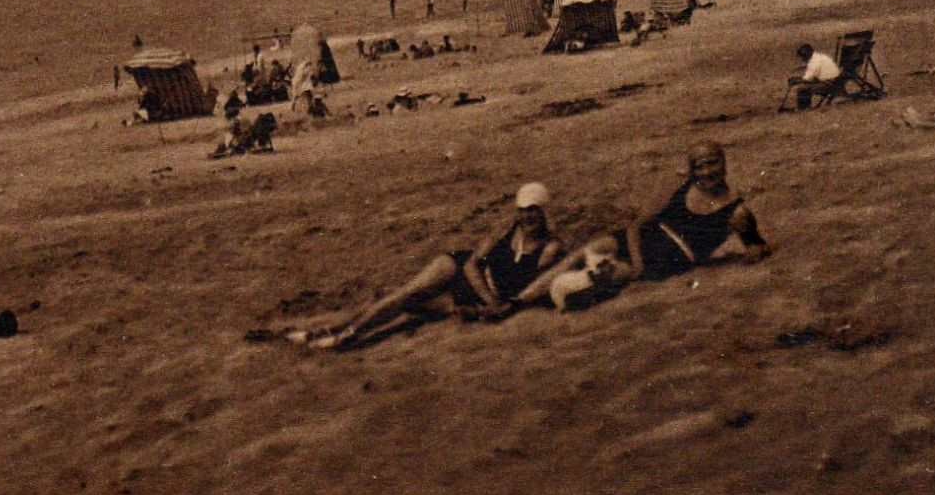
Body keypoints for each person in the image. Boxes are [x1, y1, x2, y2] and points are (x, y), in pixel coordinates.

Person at [296, 183, 566, 351]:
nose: (527, 216)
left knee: (408, 303)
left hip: (471, 296)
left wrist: (488, 305)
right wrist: (490, 300)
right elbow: (472, 263)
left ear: (544, 212)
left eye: (533, 210)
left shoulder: (550, 249)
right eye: (522, 210)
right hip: (459, 269)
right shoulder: (506, 231)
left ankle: (330, 331)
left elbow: (534, 289)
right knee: (405, 294)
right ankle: (342, 335)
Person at [514, 141, 769, 311]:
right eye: (699, 166)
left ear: (724, 163)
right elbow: (636, 225)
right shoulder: (678, 186)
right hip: (643, 238)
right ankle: (520, 301)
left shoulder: (736, 210)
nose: (706, 172)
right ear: (691, 170)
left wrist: (752, 251)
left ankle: (568, 294)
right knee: (585, 251)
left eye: (712, 163)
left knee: (607, 274)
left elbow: (756, 245)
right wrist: (638, 261)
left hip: (670, 257)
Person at [782, 43, 841, 110]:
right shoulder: (819, 57)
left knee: (802, 88)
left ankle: (803, 109)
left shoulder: (814, 61)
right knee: (804, 85)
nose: (802, 59)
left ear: (807, 54)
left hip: (829, 85)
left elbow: (808, 79)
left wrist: (795, 80)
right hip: (834, 81)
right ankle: (804, 108)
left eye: (803, 57)